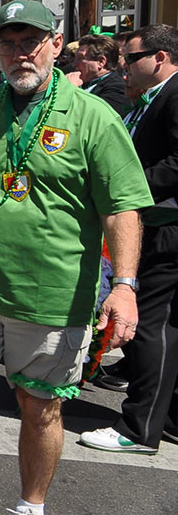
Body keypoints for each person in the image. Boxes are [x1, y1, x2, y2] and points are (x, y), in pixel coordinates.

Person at [0, 0, 150, 515]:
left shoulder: (94, 116)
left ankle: (31, 509)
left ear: (54, 43)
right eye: (9, 44)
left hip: (54, 290)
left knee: (38, 405)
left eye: (31, 42)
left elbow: (122, 209)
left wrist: (125, 286)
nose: (20, 54)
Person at [78, 24, 178, 456]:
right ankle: (165, 417)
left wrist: (127, 190)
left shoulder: (174, 95)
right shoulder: (152, 97)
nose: (123, 67)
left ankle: (140, 428)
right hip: (156, 222)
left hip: (166, 228)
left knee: (150, 325)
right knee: (162, 327)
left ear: (160, 58)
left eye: (130, 58)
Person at [69, 34, 130, 117]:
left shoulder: (117, 87)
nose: (74, 64)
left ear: (101, 62)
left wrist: (71, 91)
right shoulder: (85, 82)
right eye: (75, 58)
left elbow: (93, 117)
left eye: (81, 58)